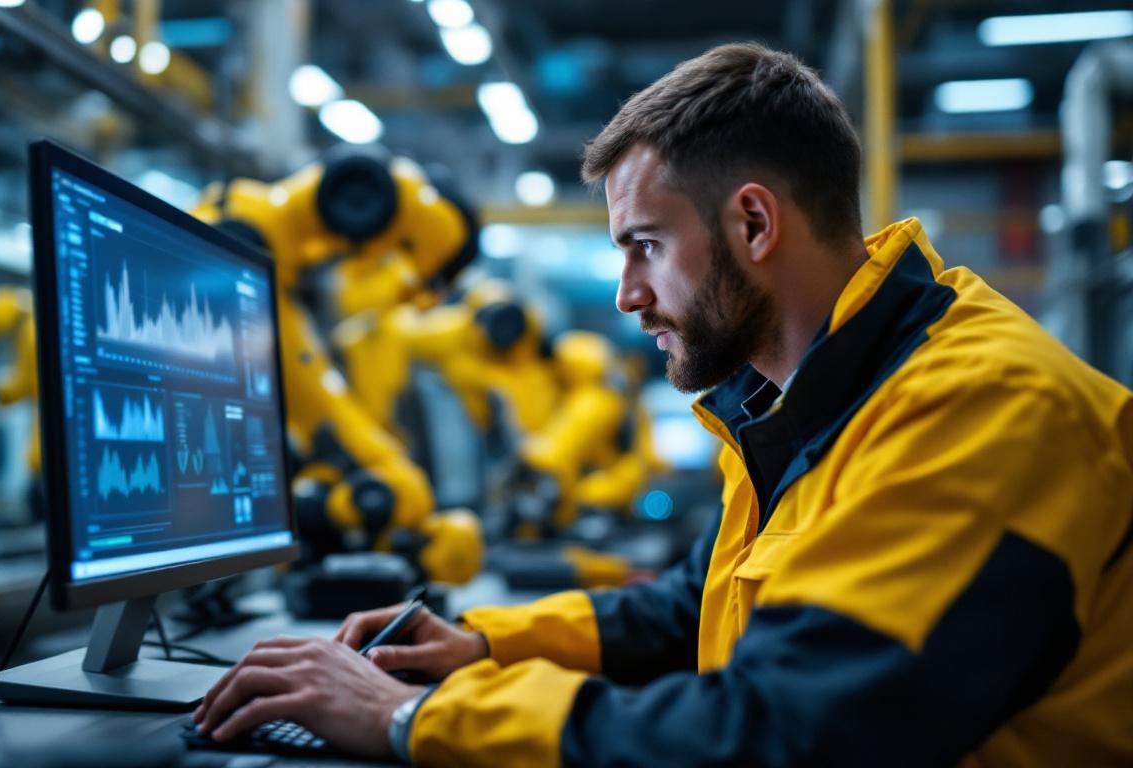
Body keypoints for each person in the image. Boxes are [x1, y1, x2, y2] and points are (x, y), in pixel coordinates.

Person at [192, 42, 1133, 766]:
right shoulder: (812, 395)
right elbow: (695, 611)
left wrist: (410, 718)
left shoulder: (982, 409)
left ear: (754, 223)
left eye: (643, 244)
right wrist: (480, 643)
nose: (625, 295)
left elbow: (780, 733)